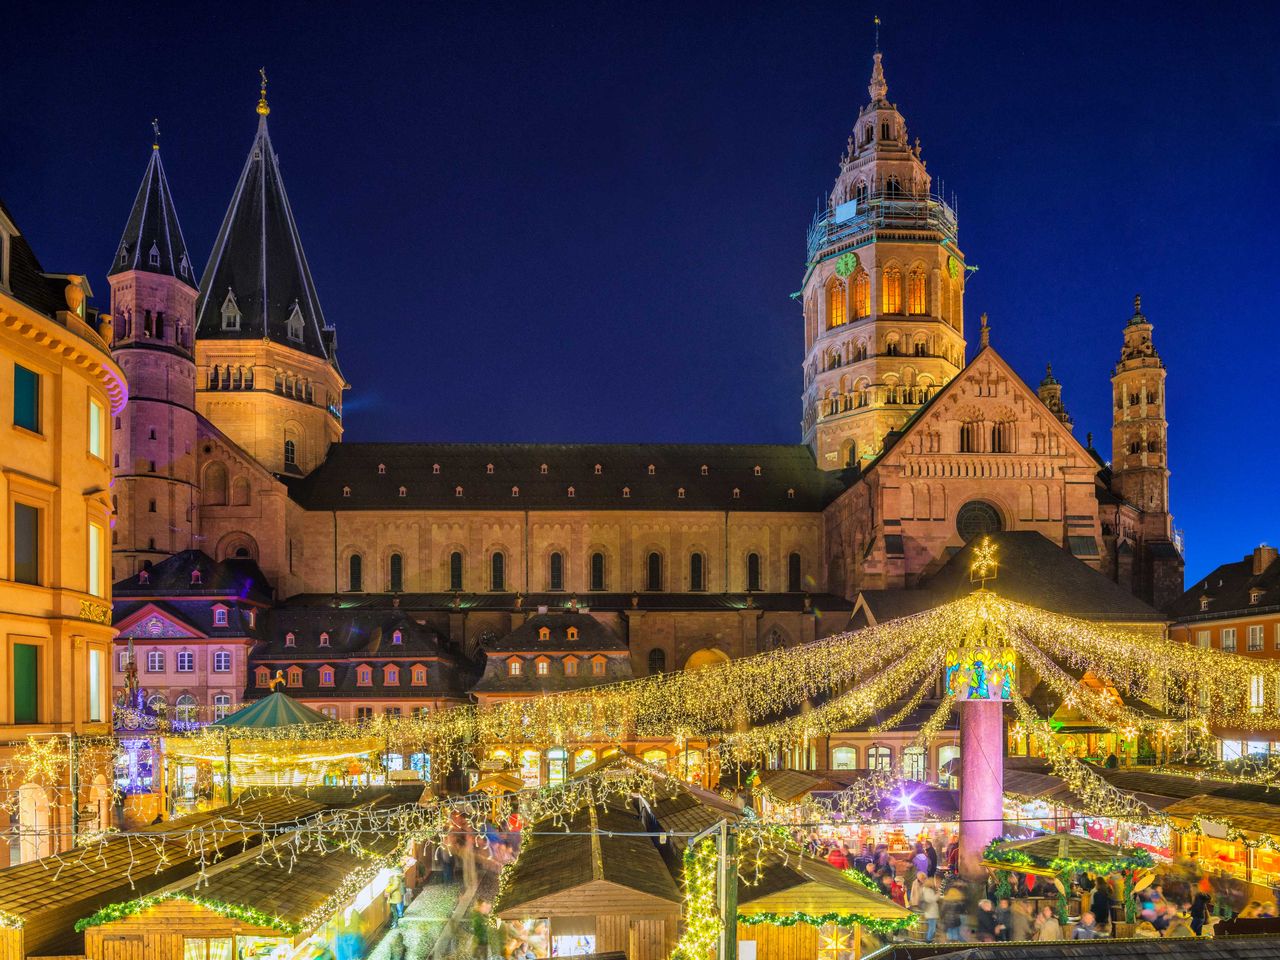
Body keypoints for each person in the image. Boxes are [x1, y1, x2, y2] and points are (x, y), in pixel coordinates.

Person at [917, 876, 939, 942]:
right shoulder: (927, 890)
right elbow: (931, 899)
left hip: (931, 911)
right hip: (931, 912)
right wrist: (938, 894)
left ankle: (929, 940)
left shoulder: (926, 890)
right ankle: (928, 940)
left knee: (932, 927)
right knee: (932, 928)